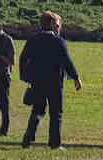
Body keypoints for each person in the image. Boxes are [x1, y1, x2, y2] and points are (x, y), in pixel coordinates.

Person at [19, 11, 82, 150]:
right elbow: (67, 61)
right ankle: (55, 143)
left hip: (37, 81)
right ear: (52, 24)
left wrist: (25, 76)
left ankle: (27, 140)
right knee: (56, 113)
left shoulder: (33, 40)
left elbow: (23, 58)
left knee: (38, 110)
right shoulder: (58, 41)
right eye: (57, 24)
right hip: (54, 82)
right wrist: (76, 77)